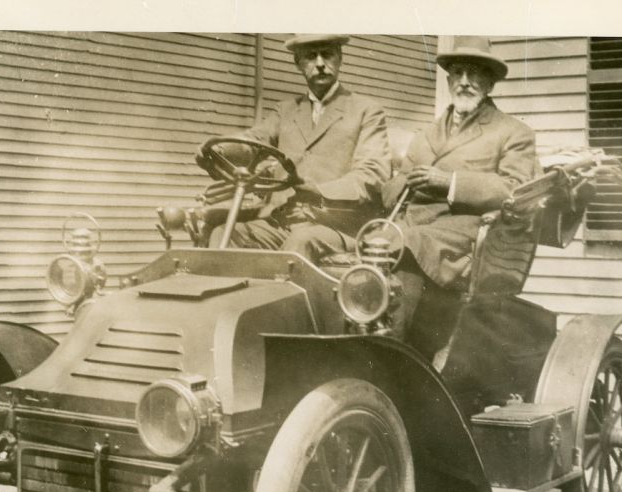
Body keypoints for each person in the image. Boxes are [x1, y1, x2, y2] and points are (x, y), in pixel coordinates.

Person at [381, 36, 539, 354]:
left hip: (466, 233)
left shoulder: (512, 132)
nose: (465, 82)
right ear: (450, 79)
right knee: (370, 247)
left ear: (490, 83)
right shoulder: (426, 135)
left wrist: (449, 182)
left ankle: (389, 353)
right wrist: (405, 180)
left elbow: (514, 188)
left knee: (409, 244)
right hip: (412, 225)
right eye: (458, 73)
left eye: (475, 73)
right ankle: (361, 339)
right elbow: (390, 195)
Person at [209, 34, 391, 258]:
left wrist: (320, 192)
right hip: (283, 223)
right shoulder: (286, 110)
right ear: (298, 63)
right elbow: (254, 141)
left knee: (299, 246)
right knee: (226, 234)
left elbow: (372, 174)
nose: (320, 64)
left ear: (340, 58)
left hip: (337, 227)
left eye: (327, 54)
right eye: (311, 56)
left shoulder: (366, 110)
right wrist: (218, 150)